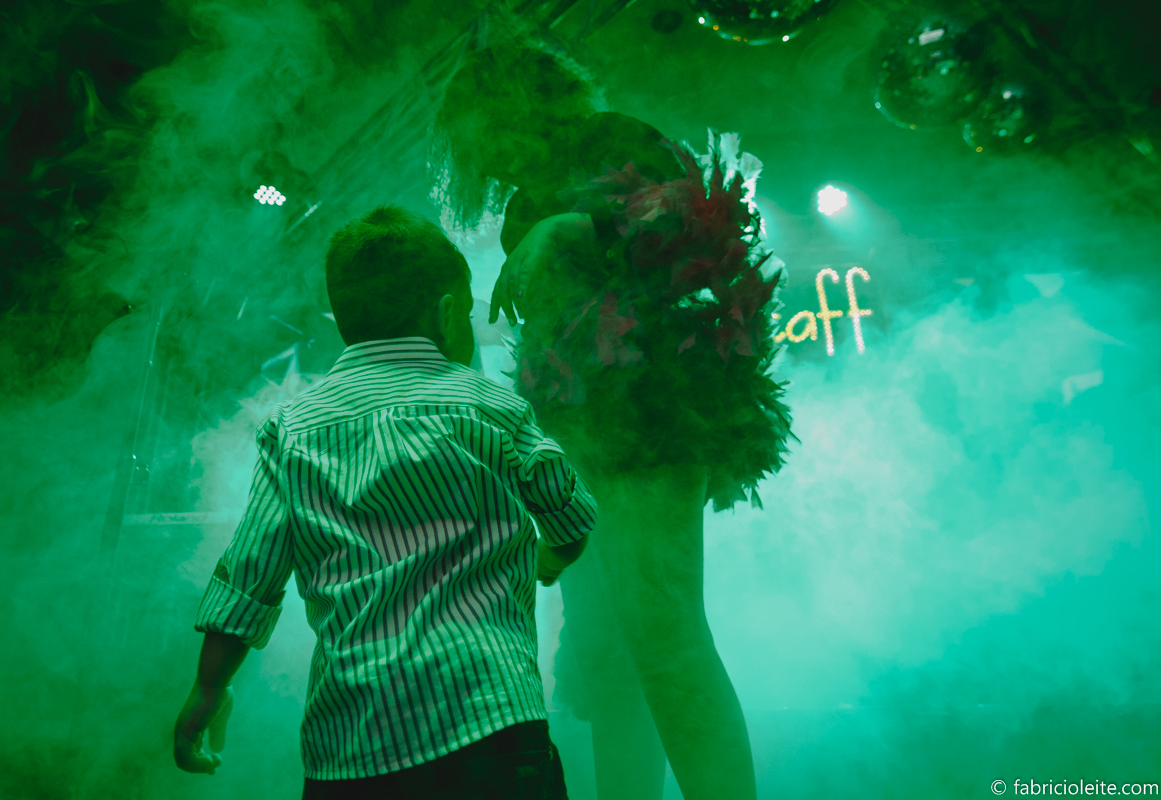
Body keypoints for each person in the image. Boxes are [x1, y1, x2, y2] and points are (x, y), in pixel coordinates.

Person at [432, 41, 794, 800]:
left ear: (514, 107)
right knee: (608, 652)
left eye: (483, 133)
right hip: (585, 434)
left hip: (653, 416)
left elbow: (706, 232)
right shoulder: (526, 198)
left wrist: (572, 228)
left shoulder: (612, 137)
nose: (482, 157)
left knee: (663, 634)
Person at [172, 205, 597, 800]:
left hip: (353, 744)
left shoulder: (293, 430)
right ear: (447, 313)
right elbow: (570, 517)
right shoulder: (492, 406)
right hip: (493, 723)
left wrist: (208, 690)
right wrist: (549, 559)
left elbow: (248, 580)